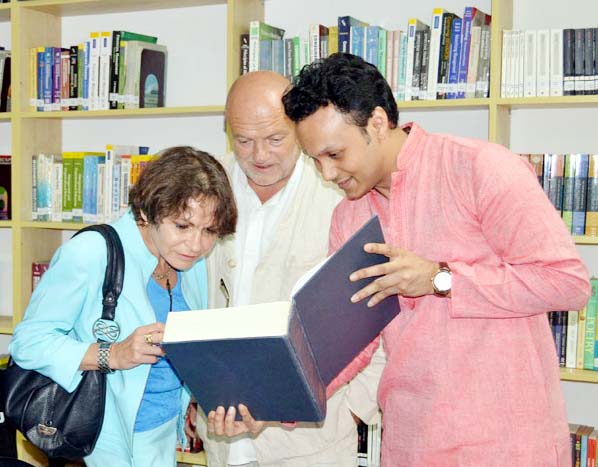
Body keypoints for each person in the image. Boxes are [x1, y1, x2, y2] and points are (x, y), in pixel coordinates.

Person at [281, 53, 592, 467]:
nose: (326, 174)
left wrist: (441, 279)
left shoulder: (479, 167)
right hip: (412, 444)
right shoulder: (349, 217)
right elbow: (351, 340)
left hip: (508, 444)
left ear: (376, 123)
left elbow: (567, 282)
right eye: (314, 159)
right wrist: (274, 397)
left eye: (335, 155)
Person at [193, 70, 386, 467]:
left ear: (299, 126)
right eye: (243, 141)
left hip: (313, 445)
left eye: (275, 139)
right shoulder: (205, 186)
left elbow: (381, 313)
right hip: (221, 440)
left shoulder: (339, 191)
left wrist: (354, 410)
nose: (260, 155)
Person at [9, 146, 237, 467]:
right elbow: (28, 344)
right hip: (105, 437)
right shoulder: (91, 252)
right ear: (146, 211)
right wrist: (112, 354)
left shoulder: (191, 262)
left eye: (209, 230)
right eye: (182, 226)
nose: (197, 244)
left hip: (163, 434)